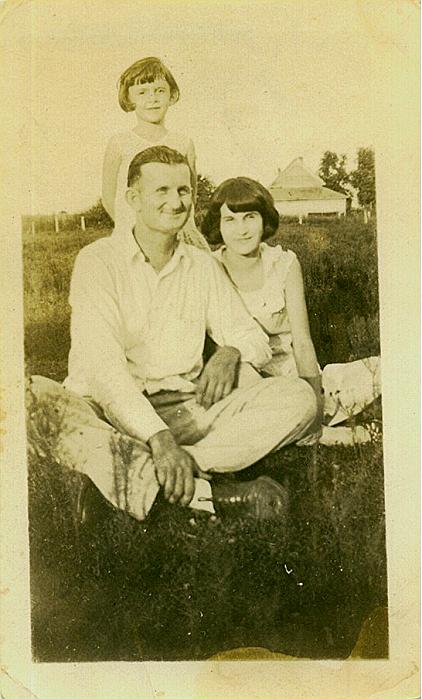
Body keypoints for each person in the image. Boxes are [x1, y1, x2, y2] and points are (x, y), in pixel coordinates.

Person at [30, 147, 318, 522]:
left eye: (183, 191)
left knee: (298, 396)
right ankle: (211, 494)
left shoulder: (200, 265)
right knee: (32, 399)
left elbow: (253, 338)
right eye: (161, 191)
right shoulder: (97, 261)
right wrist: (159, 439)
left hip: (185, 405)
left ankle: (146, 475)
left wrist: (230, 351)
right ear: (133, 199)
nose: (175, 202)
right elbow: (104, 372)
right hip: (107, 409)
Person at [201, 177, 381, 446]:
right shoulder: (206, 268)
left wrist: (314, 407)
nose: (241, 230)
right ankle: (332, 435)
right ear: (218, 224)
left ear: (264, 220)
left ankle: (314, 428)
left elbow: (302, 341)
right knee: (246, 380)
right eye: (230, 220)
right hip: (243, 380)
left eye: (250, 217)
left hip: (292, 373)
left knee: (386, 368)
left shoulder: (283, 263)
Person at [102, 56, 209, 250]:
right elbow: (109, 196)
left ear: (172, 95)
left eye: (159, 91)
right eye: (142, 92)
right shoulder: (119, 143)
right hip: (133, 235)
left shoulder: (183, 143)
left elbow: (190, 194)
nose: (152, 98)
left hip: (176, 234)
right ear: (129, 98)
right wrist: (129, 229)